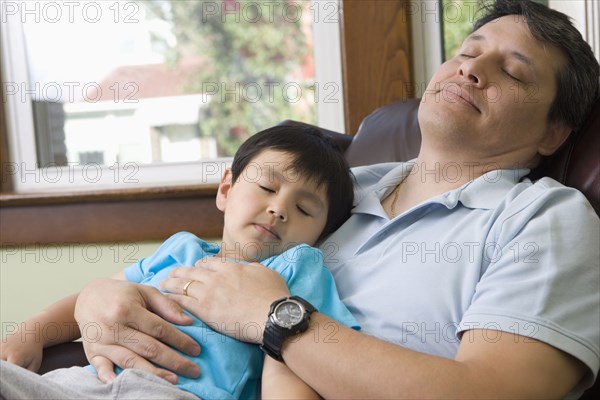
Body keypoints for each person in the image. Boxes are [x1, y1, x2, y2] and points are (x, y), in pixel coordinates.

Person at [19, 0, 600, 398]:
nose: (473, 70)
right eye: (468, 51)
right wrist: (94, 299)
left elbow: (491, 393)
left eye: (514, 72)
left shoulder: (542, 219)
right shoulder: (336, 186)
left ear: (554, 133)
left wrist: (275, 320)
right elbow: (201, 270)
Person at [0, 125, 360, 399]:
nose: (278, 209)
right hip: (85, 384)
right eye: (267, 187)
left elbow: (300, 357)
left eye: (303, 209)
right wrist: (30, 333)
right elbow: (92, 300)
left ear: (320, 234)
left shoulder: (298, 268)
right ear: (226, 189)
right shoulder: (180, 249)